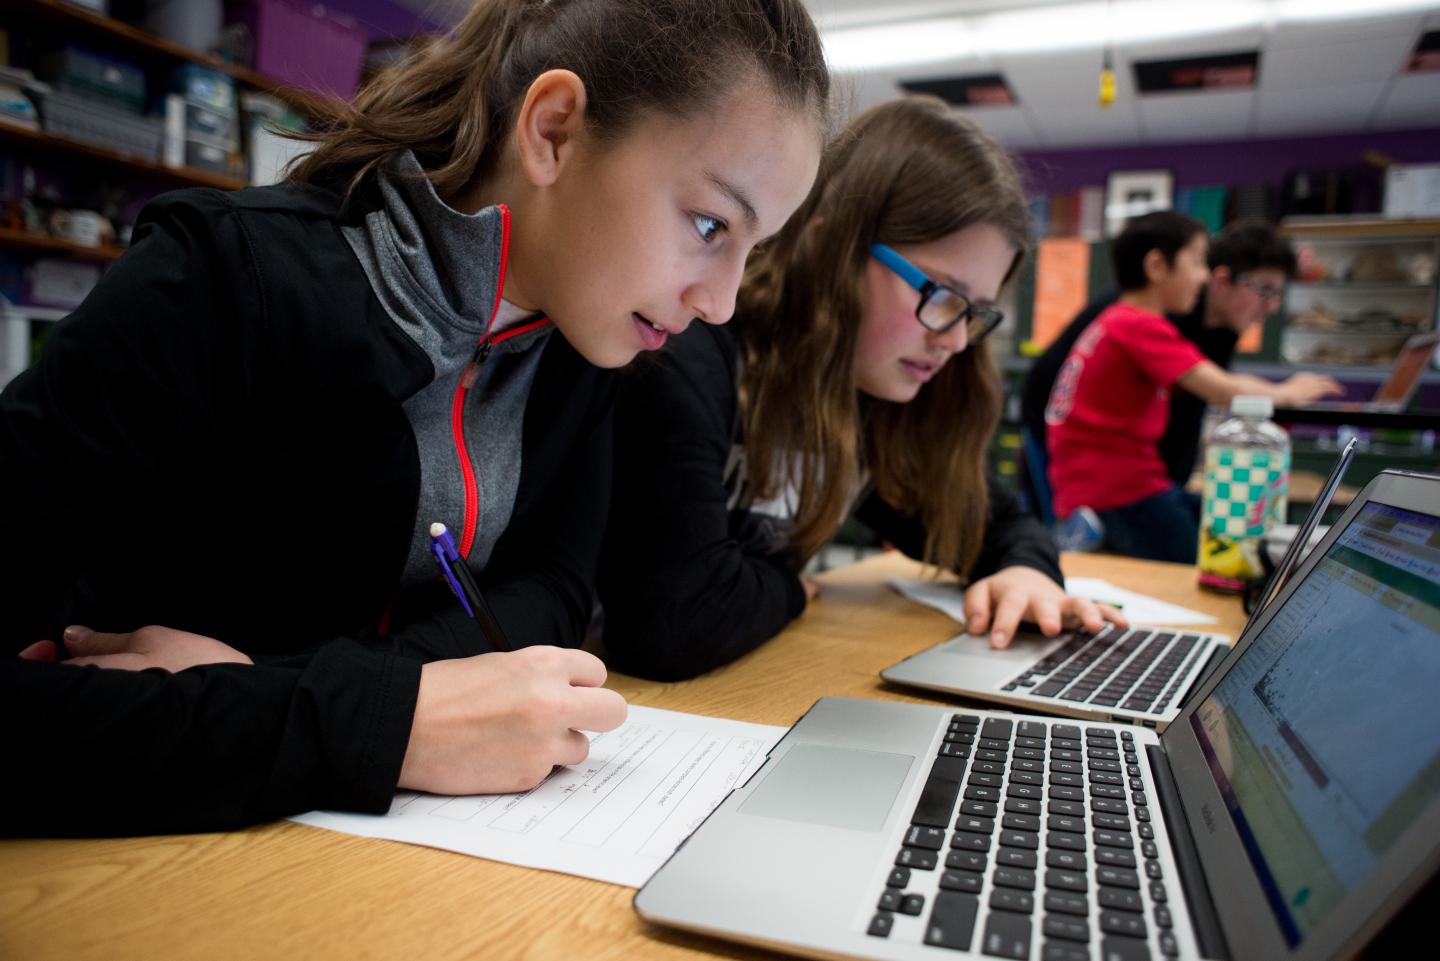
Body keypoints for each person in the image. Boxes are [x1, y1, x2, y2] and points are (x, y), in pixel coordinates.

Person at [2, 0, 829, 836]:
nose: (722, 301)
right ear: (553, 131)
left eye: (751, 248)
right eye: (710, 224)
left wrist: (291, 688)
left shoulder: (585, 347)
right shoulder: (220, 279)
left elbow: (549, 597)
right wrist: (394, 722)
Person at [597, 97, 1125, 683]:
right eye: (942, 295)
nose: (954, 342)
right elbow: (675, 627)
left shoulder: (873, 400)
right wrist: (788, 587)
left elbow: (994, 523)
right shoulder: (693, 350)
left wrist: (1027, 572)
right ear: (833, 249)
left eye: (974, 312)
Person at [1043, 211, 1341, 563]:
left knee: (1234, 529)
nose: (1204, 277)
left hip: (1115, 486)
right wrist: (1287, 393)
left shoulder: (1120, 321)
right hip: (1119, 491)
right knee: (1221, 556)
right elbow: (1222, 388)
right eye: (1198, 262)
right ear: (1156, 267)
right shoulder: (1139, 326)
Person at [1021, 220, 1305, 505]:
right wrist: (1286, 393)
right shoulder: (1152, 313)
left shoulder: (1220, 326)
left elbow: (1191, 407)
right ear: (1220, 280)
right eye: (1265, 290)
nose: (1271, 306)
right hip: (1069, 444)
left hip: (1123, 469)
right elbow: (1216, 390)